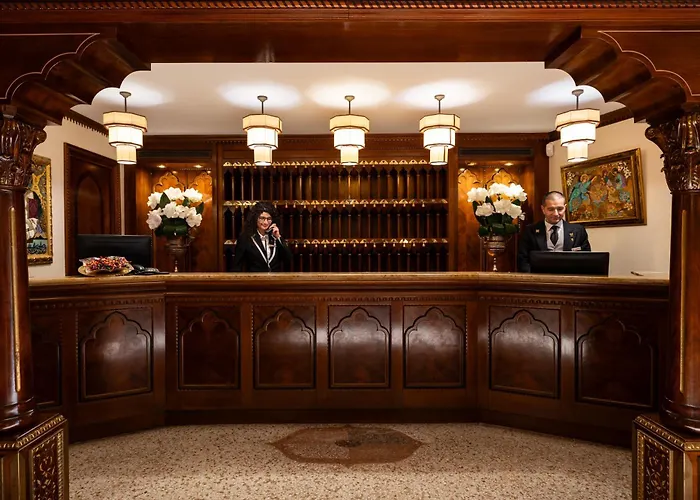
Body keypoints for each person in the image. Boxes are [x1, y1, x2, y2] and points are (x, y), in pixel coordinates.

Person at [517, 190, 591, 273]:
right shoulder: (530, 231)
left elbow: (586, 259)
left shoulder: (578, 231)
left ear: (565, 208)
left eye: (560, 209)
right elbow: (523, 260)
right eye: (551, 209)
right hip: (539, 278)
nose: (556, 214)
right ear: (543, 209)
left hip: (569, 278)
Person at [232, 202, 292, 272]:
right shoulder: (246, 238)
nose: (266, 222)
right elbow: (237, 265)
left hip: (275, 278)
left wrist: (278, 237)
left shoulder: (275, 236)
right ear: (255, 218)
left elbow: (288, 259)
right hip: (256, 278)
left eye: (269, 219)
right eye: (262, 218)